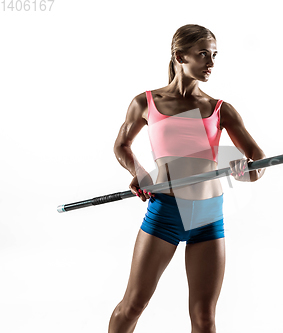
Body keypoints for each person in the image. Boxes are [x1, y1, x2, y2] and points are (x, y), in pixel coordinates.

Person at [108, 24, 266, 333]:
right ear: (180, 56)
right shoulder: (147, 102)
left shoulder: (219, 109)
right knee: (134, 304)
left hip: (208, 213)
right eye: (203, 54)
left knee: (204, 317)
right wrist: (138, 172)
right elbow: (121, 145)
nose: (211, 63)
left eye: (214, 55)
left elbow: (258, 163)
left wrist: (246, 171)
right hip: (166, 210)